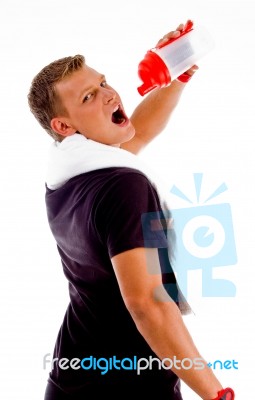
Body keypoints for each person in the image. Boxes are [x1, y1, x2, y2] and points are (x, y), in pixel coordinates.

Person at [28, 21, 235, 400]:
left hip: (73, 376)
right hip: (125, 385)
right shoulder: (124, 186)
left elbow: (135, 134)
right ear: (64, 125)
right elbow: (146, 303)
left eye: (103, 82)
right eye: (89, 97)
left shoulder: (66, 174)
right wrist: (217, 394)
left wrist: (176, 78)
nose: (109, 95)